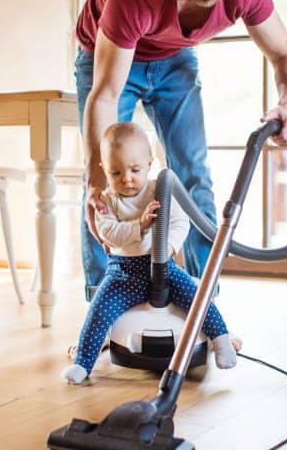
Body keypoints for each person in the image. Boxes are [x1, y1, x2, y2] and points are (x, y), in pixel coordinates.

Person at [75, 0, 287, 298]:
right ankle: (103, 313)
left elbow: (285, 55)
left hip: (173, 57)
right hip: (105, 56)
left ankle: (203, 309)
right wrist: (95, 181)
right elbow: (106, 95)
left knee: (194, 176)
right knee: (104, 184)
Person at [62, 122, 240, 384]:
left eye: (135, 170)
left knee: (197, 297)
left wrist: (167, 248)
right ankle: (83, 363)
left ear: (149, 163)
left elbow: (181, 222)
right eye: (115, 172)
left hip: (164, 268)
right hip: (122, 274)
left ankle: (221, 340)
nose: (127, 178)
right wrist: (139, 225)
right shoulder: (106, 201)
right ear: (104, 169)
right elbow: (108, 233)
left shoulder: (161, 188)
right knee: (99, 311)